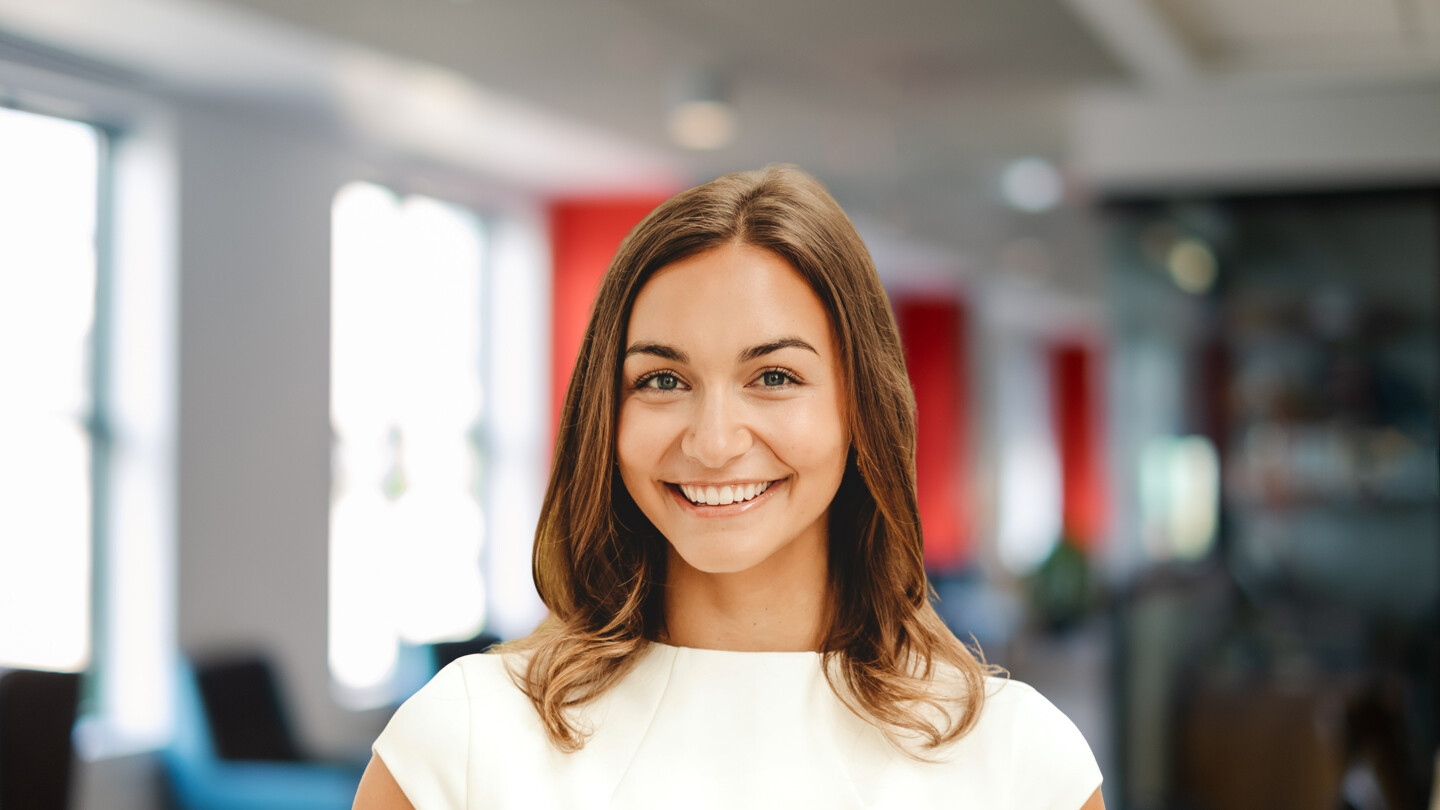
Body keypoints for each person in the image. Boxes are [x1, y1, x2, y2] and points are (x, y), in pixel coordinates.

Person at [353, 165, 1104, 809]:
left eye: (774, 376)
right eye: (662, 380)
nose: (713, 442)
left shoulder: (1018, 763)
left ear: (860, 408)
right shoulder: (462, 743)